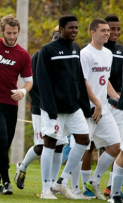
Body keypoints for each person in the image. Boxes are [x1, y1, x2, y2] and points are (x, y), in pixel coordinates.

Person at [36, 15, 91, 199]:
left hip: (73, 108)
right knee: (50, 144)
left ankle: (61, 181)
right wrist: (50, 110)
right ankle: (46, 189)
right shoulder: (47, 50)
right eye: (70, 28)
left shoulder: (76, 48)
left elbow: (79, 78)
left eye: (76, 27)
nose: (74, 30)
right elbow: (43, 82)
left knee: (84, 140)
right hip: (53, 109)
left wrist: (84, 106)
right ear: (61, 29)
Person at [14, 26, 71, 196]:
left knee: (60, 145)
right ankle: (22, 167)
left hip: (60, 110)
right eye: (56, 36)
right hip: (42, 108)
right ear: (53, 37)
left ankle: (53, 185)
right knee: (42, 146)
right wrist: (44, 105)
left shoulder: (66, 55)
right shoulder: (40, 55)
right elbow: (32, 84)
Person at [0, 14, 33, 195]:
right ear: (2, 31)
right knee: (1, 139)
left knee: (5, 144)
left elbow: (29, 81)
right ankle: (6, 183)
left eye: (15, 33)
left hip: (11, 103)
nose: (12, 36)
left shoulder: (23, 54)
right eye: (9, 33)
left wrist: (23, 91)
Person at [76, 18, 120, 201]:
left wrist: (117, 98)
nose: (107, 33)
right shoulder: (85, 53)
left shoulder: (108, 54)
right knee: (81, 149)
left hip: (104, 110)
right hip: (89, 109)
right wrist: (97, 103)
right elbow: (83, 81)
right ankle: (61, 185)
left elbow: (105, 79)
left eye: (108, 30)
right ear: (92, 32)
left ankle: (94, 181)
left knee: (116, 145)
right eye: (103, 30)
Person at [103, 15, 123, 199]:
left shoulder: (120, 50)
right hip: (101, 103)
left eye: (118, 29)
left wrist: (119, 99)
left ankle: (111, 187)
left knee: (117, 146)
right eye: (111, 29)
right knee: (87, 146)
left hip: (118, 105)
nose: (115, 33)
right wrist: (114, 97)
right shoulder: (96, 50)